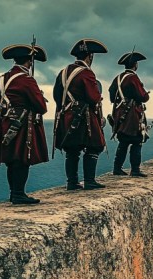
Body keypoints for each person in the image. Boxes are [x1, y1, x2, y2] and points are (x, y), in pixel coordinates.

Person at [0, 42, 49, 204]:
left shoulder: (2, 79)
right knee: (22, 160)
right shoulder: (27, 80)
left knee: (12, 160)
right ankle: (18, 194)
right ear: (29, 61)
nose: (31, 63)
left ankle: (13, 193)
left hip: (6, 122)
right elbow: (41, 107)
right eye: (31, 60)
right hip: (22, 124)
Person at [53, 38, 108, 190]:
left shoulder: (63, 72)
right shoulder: (86, 73)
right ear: (89, 56)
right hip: (84, 117)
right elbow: (93, 97)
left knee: (72, 149)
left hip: (66, 115)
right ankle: (89, 180)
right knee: (95, 146)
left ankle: (72, 182)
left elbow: (56, 96)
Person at [109, 51, 150, 177]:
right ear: (135, 65)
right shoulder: (133, 78)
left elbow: (111, 95)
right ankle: (135, 169)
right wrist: (146, 95)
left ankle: (117, 168)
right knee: (137, 140)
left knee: (123, 141)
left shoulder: (118, 78)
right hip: (132, 114)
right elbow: (142, 96)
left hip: (120, 112)